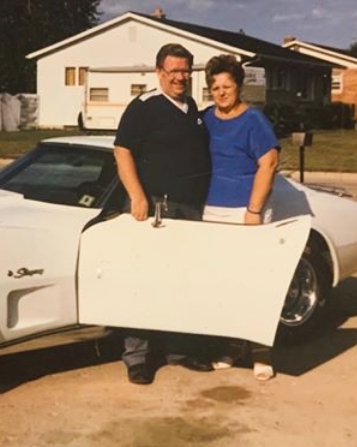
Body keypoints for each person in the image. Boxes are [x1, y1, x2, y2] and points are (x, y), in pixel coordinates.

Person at [113, 43, 214, 385]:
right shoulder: (145, 107)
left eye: (185, 71)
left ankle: (179, 350)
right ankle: (138, 357)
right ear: (159, 73)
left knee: (182, 281)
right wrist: (137, 196)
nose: (180, 77)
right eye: (173, 71)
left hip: (188, 211)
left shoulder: (193, 108)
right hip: (154, 208)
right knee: (144, 281)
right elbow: (122, 150)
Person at [201, 54, 281, 382]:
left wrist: (253, 211)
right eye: (215, 87)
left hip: (245, 212)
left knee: (254, 282)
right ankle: (232, 348)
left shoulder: (254, 121)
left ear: (239, 87)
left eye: (227, 86)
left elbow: (269, 163)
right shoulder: (206, 118)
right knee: (224, 284)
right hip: (211, 211)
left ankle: (261, 353)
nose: (221, 92)